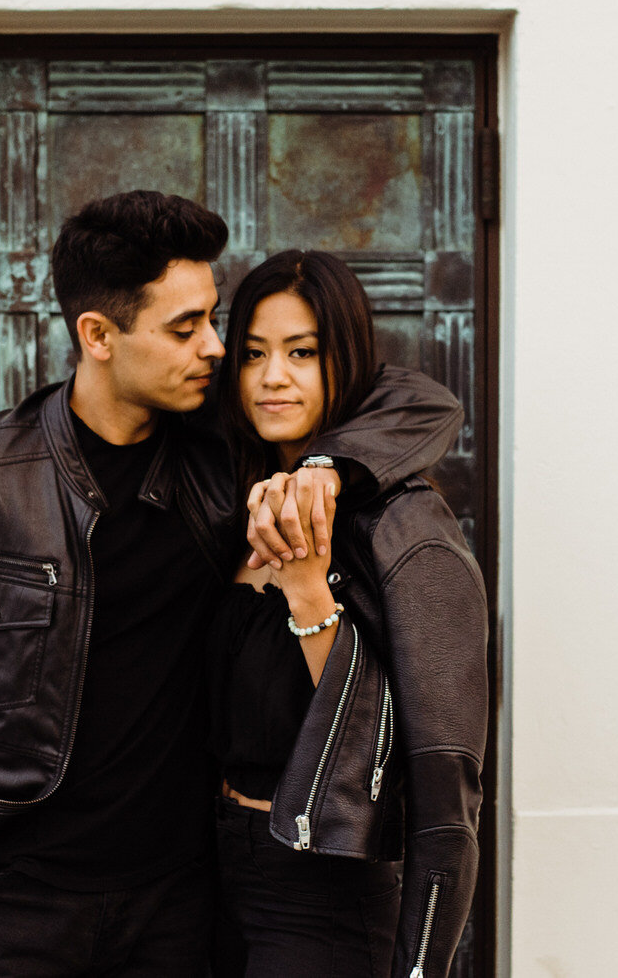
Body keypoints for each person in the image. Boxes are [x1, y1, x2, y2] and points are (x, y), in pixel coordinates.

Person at [0, 190, 464, 977]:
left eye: (213, 318)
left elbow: (417, 400)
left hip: (180, 902)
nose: (219, 350)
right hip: (16, 897)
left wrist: (327, 468)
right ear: (98, 335)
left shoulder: (222, 461)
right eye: (185, 328)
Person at [208, 250, 491, 977]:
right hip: (204, 875)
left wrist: (307, 584)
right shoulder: (228, 495)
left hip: (327, 893)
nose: (274, 376)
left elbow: (443, 779)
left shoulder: (409, 532)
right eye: (254, 354)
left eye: (303, 352)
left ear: (349, 363)